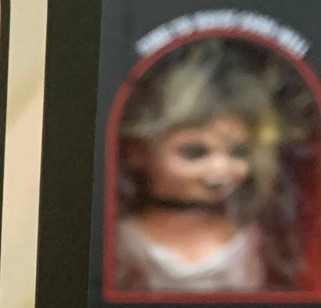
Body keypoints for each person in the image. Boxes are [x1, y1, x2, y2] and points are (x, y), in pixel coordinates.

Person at [113, 40, 299, 294]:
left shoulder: (247, 237)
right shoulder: (125, 240)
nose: (220, 169)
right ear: (138, 152)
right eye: (194, 153)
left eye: (239, 152)